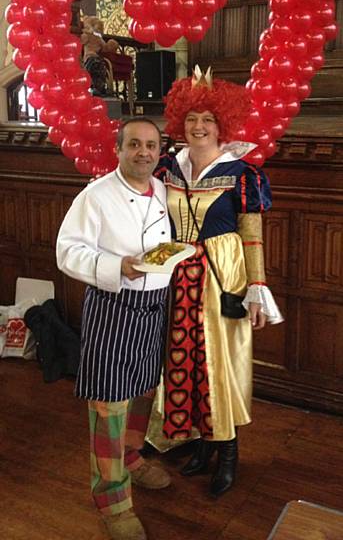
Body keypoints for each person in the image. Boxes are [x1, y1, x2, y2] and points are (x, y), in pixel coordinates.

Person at [154, 66, 282, 497]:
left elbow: (251, 235)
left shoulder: (243, 172)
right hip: (178, 277)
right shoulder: (168, 167)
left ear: (221, 124)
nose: (198, 126)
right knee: (184, 361)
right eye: (191, 118)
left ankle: (228, 453)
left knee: (218, 367)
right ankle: (202, 447)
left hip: (222, 277)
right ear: (180, 122)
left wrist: (256, 290)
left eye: (207, 119)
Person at [56, 117, 172, 540]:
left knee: (143, 393)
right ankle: (113, 501)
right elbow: (66, 252)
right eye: (135, 145)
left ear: (160, 152)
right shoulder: (97, 195)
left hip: (154, 308)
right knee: (109, 406)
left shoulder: (161, 190)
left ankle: (133, 458)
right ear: (119, 149)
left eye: (151, 146)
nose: (144, 152)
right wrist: (115, 266)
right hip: (114, 308)